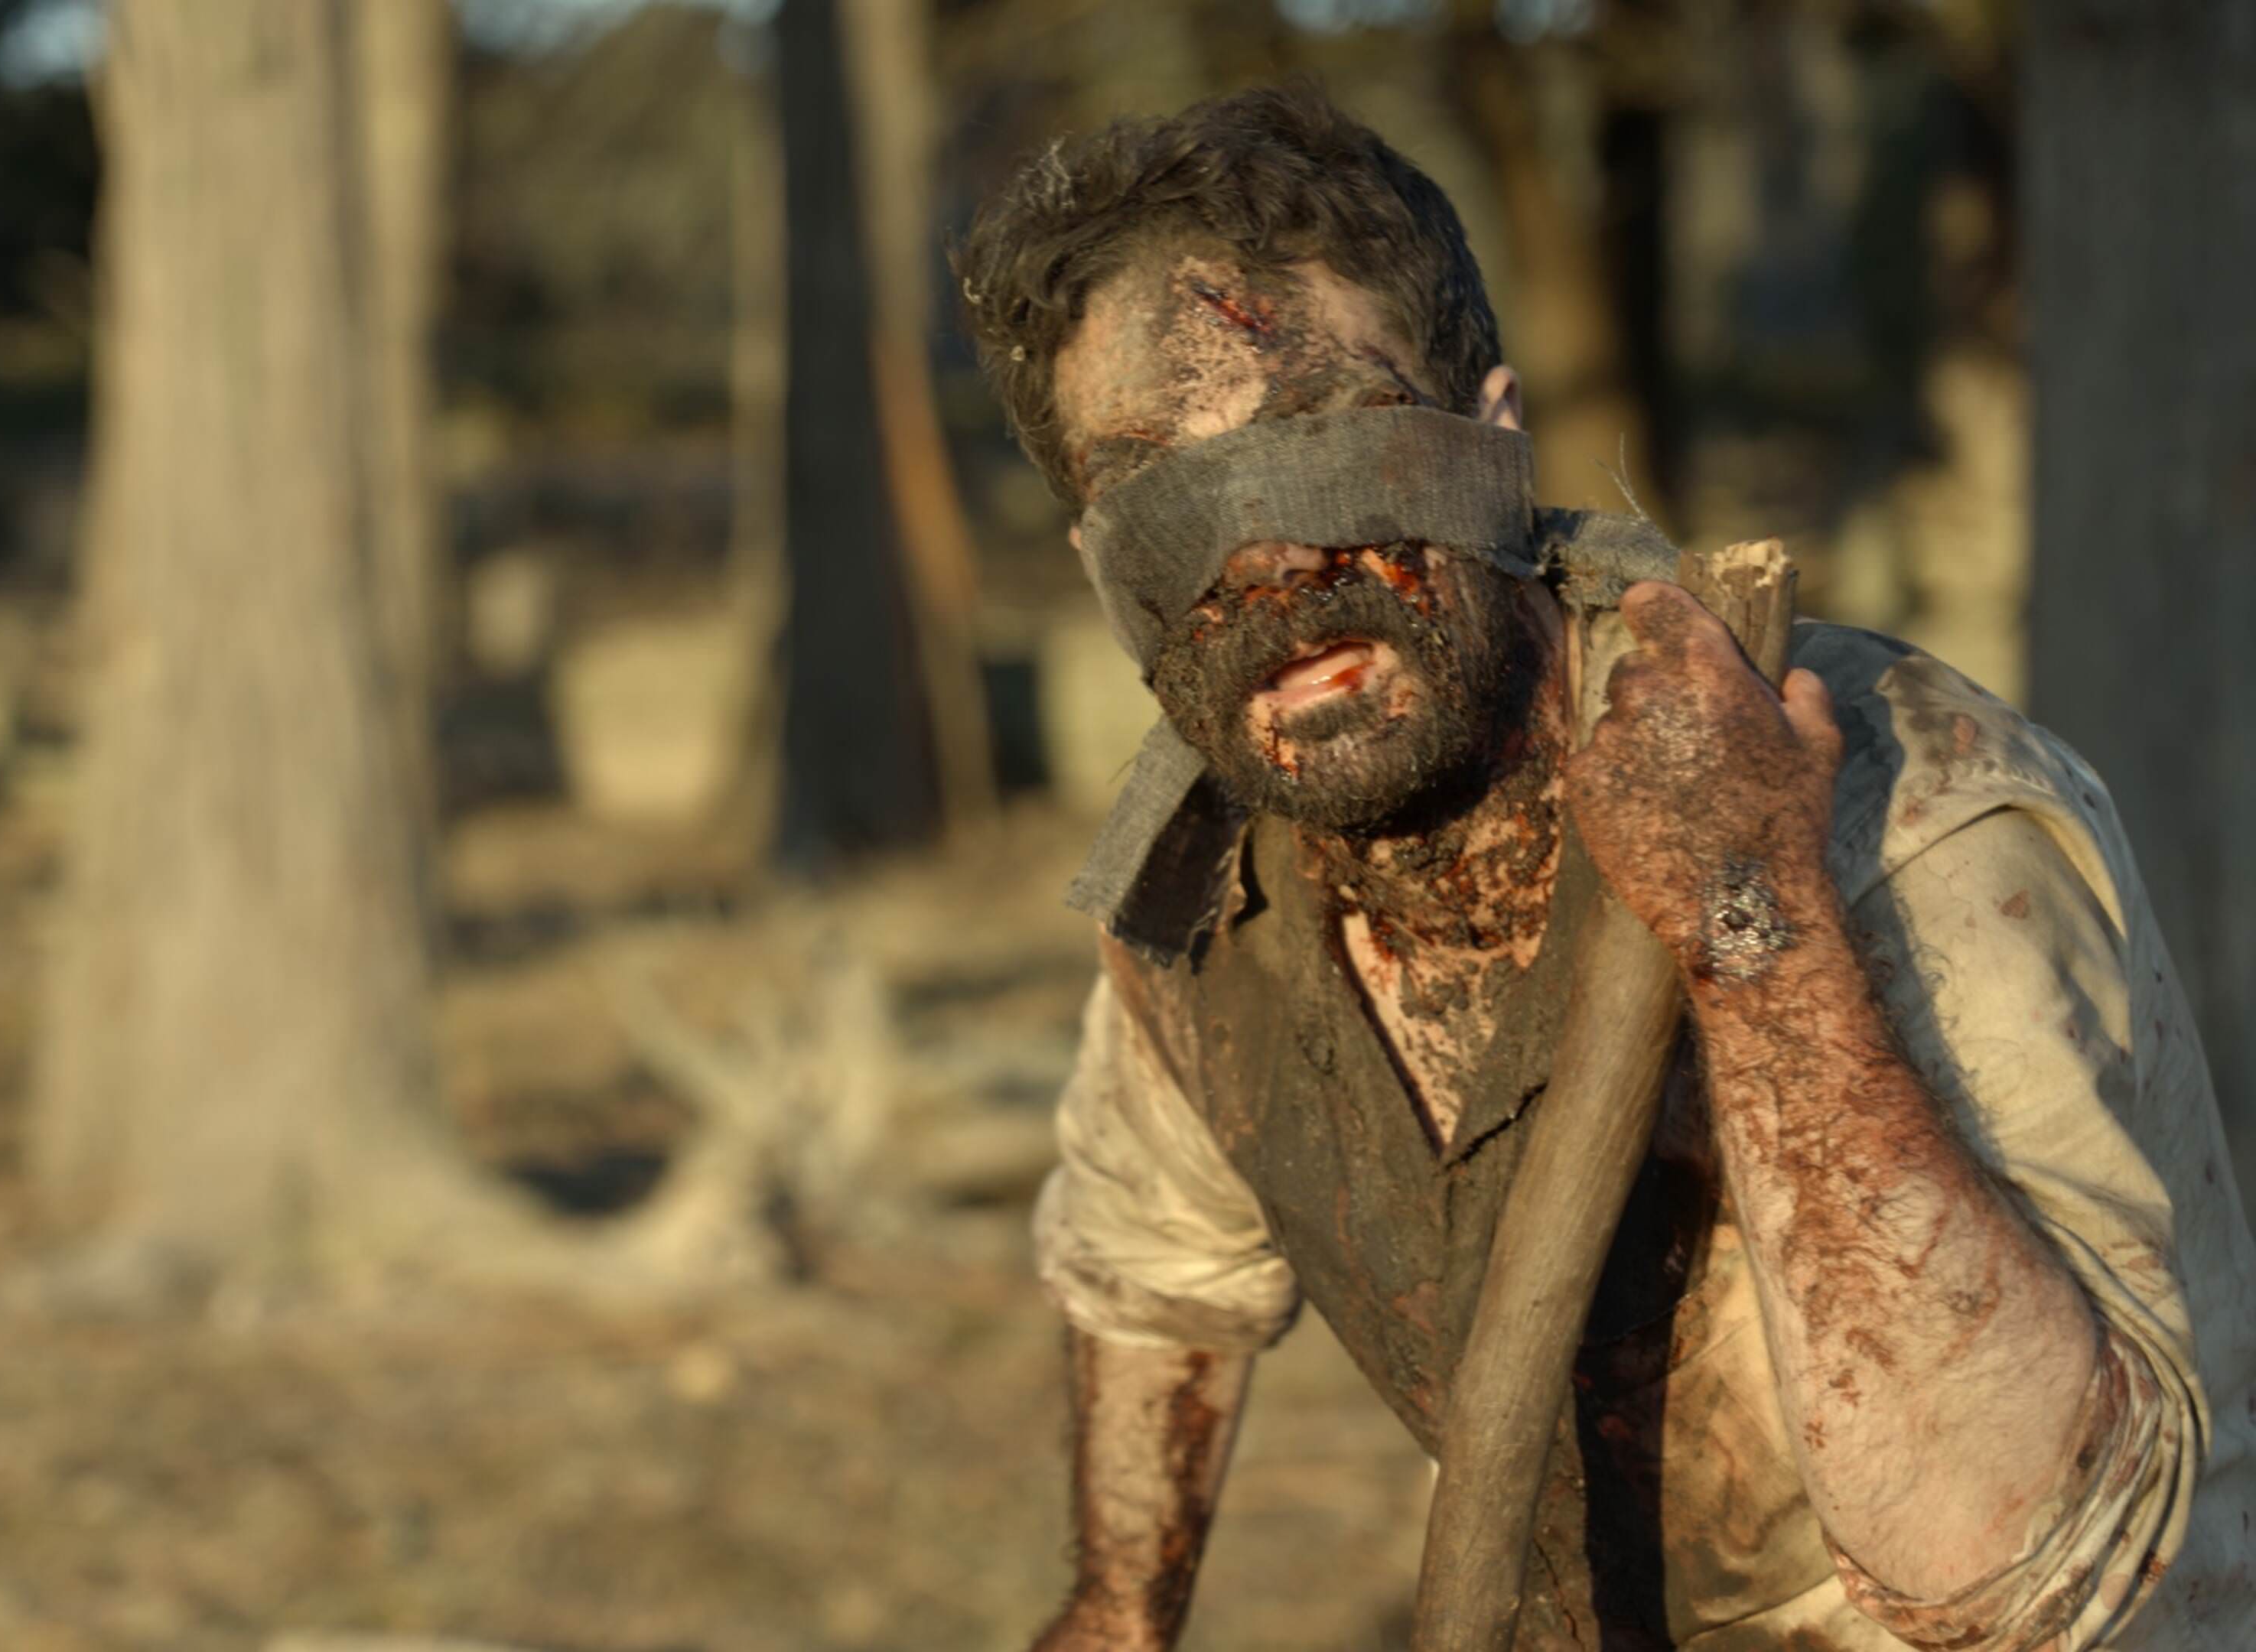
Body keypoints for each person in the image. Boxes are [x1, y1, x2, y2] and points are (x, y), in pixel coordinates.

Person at [955, 83, 2256, 1650]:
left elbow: (2020, 1577)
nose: (1271, 566)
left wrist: (1749, 916)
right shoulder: (1209, 880)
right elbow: (1151, 1258)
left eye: (1324, 444)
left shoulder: (1890, 801)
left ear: (1492, 436)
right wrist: (1115, 1609)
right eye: (1158, 501)